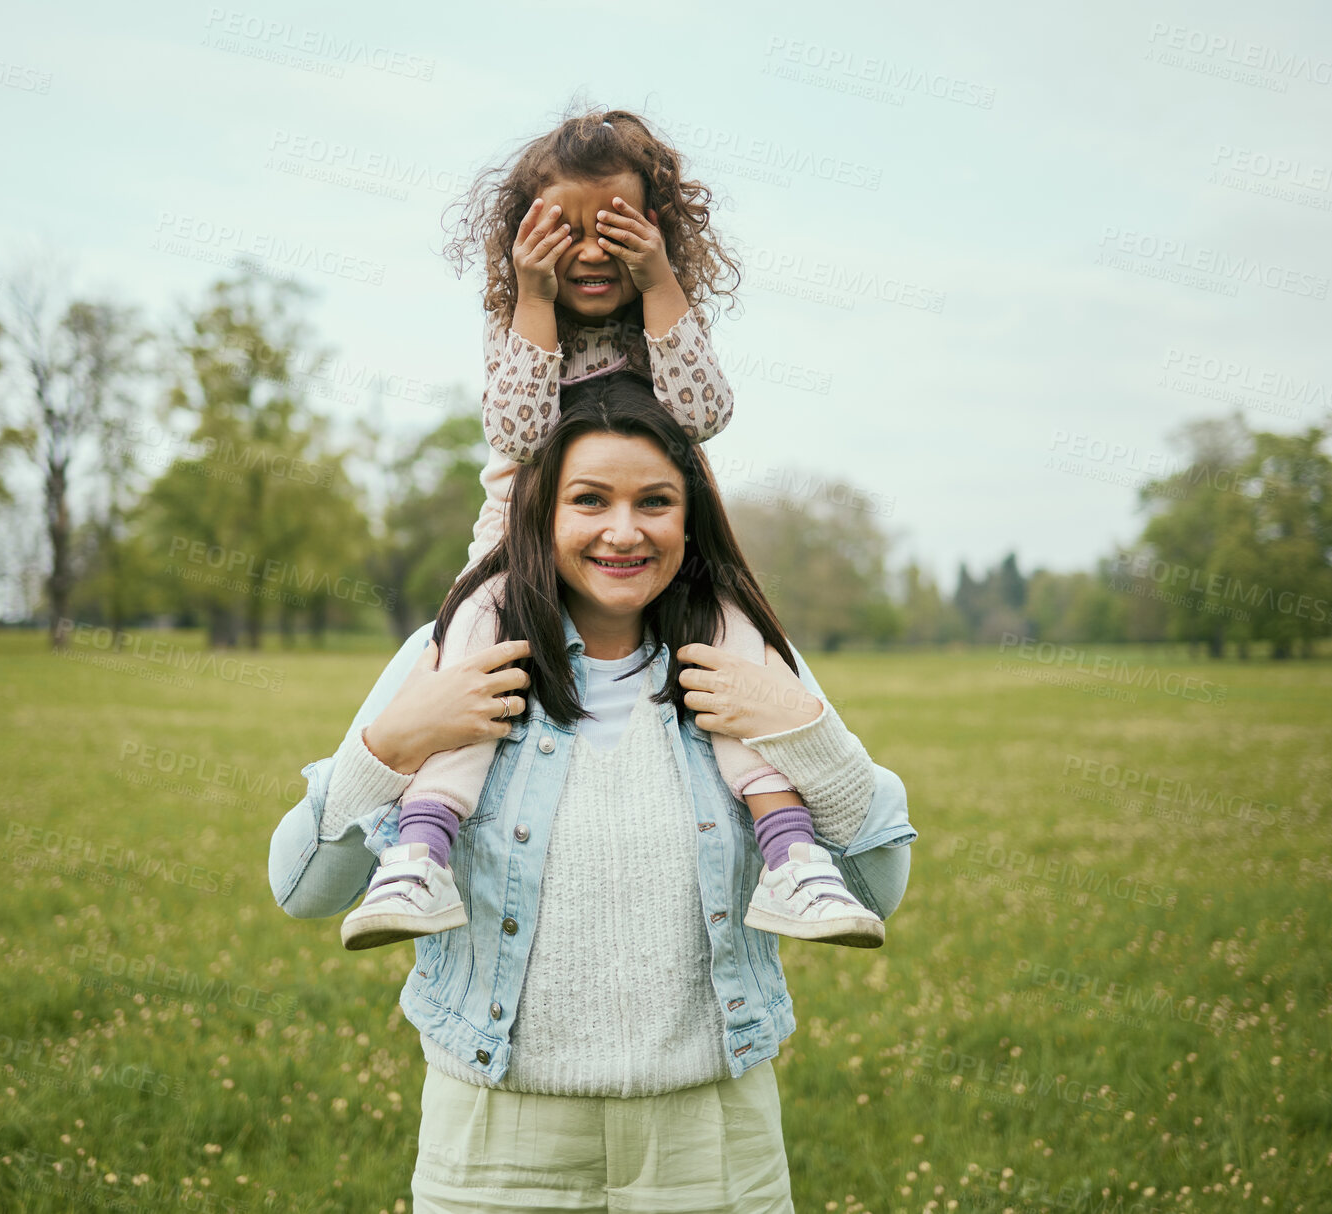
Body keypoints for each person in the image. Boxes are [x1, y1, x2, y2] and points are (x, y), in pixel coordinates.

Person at [268, 374, 918, 1210]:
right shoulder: (453, 651)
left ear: (690, 521)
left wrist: (806, 731)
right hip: (495, 1137)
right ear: (540, 515)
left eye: (654, 501)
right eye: (588, 500)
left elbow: (877, 892)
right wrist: (394, 740)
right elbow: (302, 891)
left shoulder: (747, 662)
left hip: (710, 1140)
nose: (623, 530)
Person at [339, 105, 875, 950]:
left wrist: (660, 282)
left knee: (735, 649)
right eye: (564, 231)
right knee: (472, 653)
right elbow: (518, 433)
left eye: (615, 228)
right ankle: (419, 852)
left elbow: (702, 411)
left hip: (663, 548)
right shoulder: (521, 313)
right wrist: (534, 296)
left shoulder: (662, 313)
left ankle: (792, 857)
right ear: (523, 235)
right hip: (517, 538)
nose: (591, 250)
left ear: (654, 229)